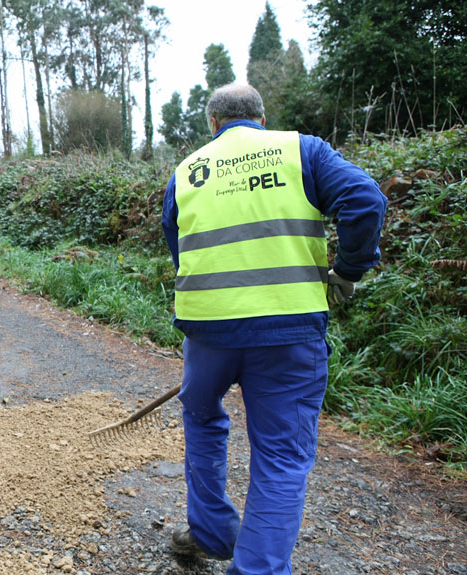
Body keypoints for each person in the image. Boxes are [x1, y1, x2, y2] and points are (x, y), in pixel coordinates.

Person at [161, 83, 387, 574]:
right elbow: (366, 201)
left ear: (212, 124)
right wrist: (347, 272)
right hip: (288, 332)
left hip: (207, 333)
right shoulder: (300, 150)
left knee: (201, 419)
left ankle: (212, 533)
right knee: (281, 455)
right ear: (262, 119)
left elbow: (182, 254)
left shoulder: (186, 172)